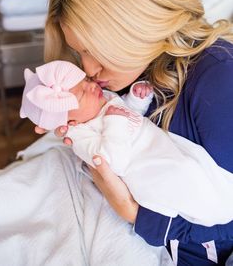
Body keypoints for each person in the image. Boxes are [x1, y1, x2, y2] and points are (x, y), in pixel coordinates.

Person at [38, 0, 233, 265]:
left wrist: (134, 214)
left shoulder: (217, 79)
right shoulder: (132, 74)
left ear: (133, 25)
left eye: (93, 49)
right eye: (78, 52)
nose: (88, 68)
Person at [21, 60, 233, 227]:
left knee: (197, 164)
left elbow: (128, 113)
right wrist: (115, 121)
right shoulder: (81, 137)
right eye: (83, 92)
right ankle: (214, 209)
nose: (92, 86)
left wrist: (137, 99)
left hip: (159, 145)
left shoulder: (101, 101)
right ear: (67, 120)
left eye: (85, 80)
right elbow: (114, 161)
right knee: (184, 177)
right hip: (147, 170)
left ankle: (221, 197)